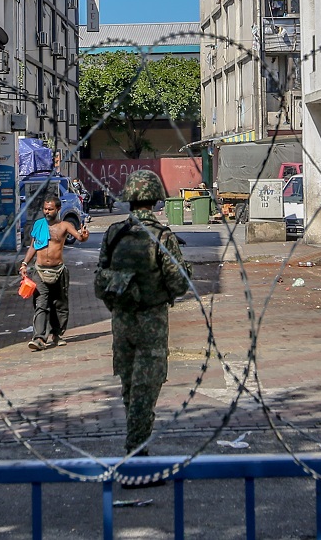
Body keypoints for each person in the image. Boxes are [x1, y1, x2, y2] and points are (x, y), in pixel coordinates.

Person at [95, 170, 192, 481]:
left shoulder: (114, 234)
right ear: (155, 199)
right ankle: (136, 456)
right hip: (151, 320)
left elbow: (100, 279)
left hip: (121, 321)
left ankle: (137, 446)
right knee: (145, 388)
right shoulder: (161, 237)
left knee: (129, 386)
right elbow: (179, 283)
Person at [20, 194, 88, 350]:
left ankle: (57, 334)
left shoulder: (64, 226)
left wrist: (84, 236)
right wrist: (24, 264)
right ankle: (39, 338)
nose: (46, 212)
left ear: (58, 209)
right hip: (39, 271)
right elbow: (33, 246)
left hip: (58, 271)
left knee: (59, 304)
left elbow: (79, 237)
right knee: (41, 304)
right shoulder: (39, 225)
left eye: (50, 209)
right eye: (45, 209)